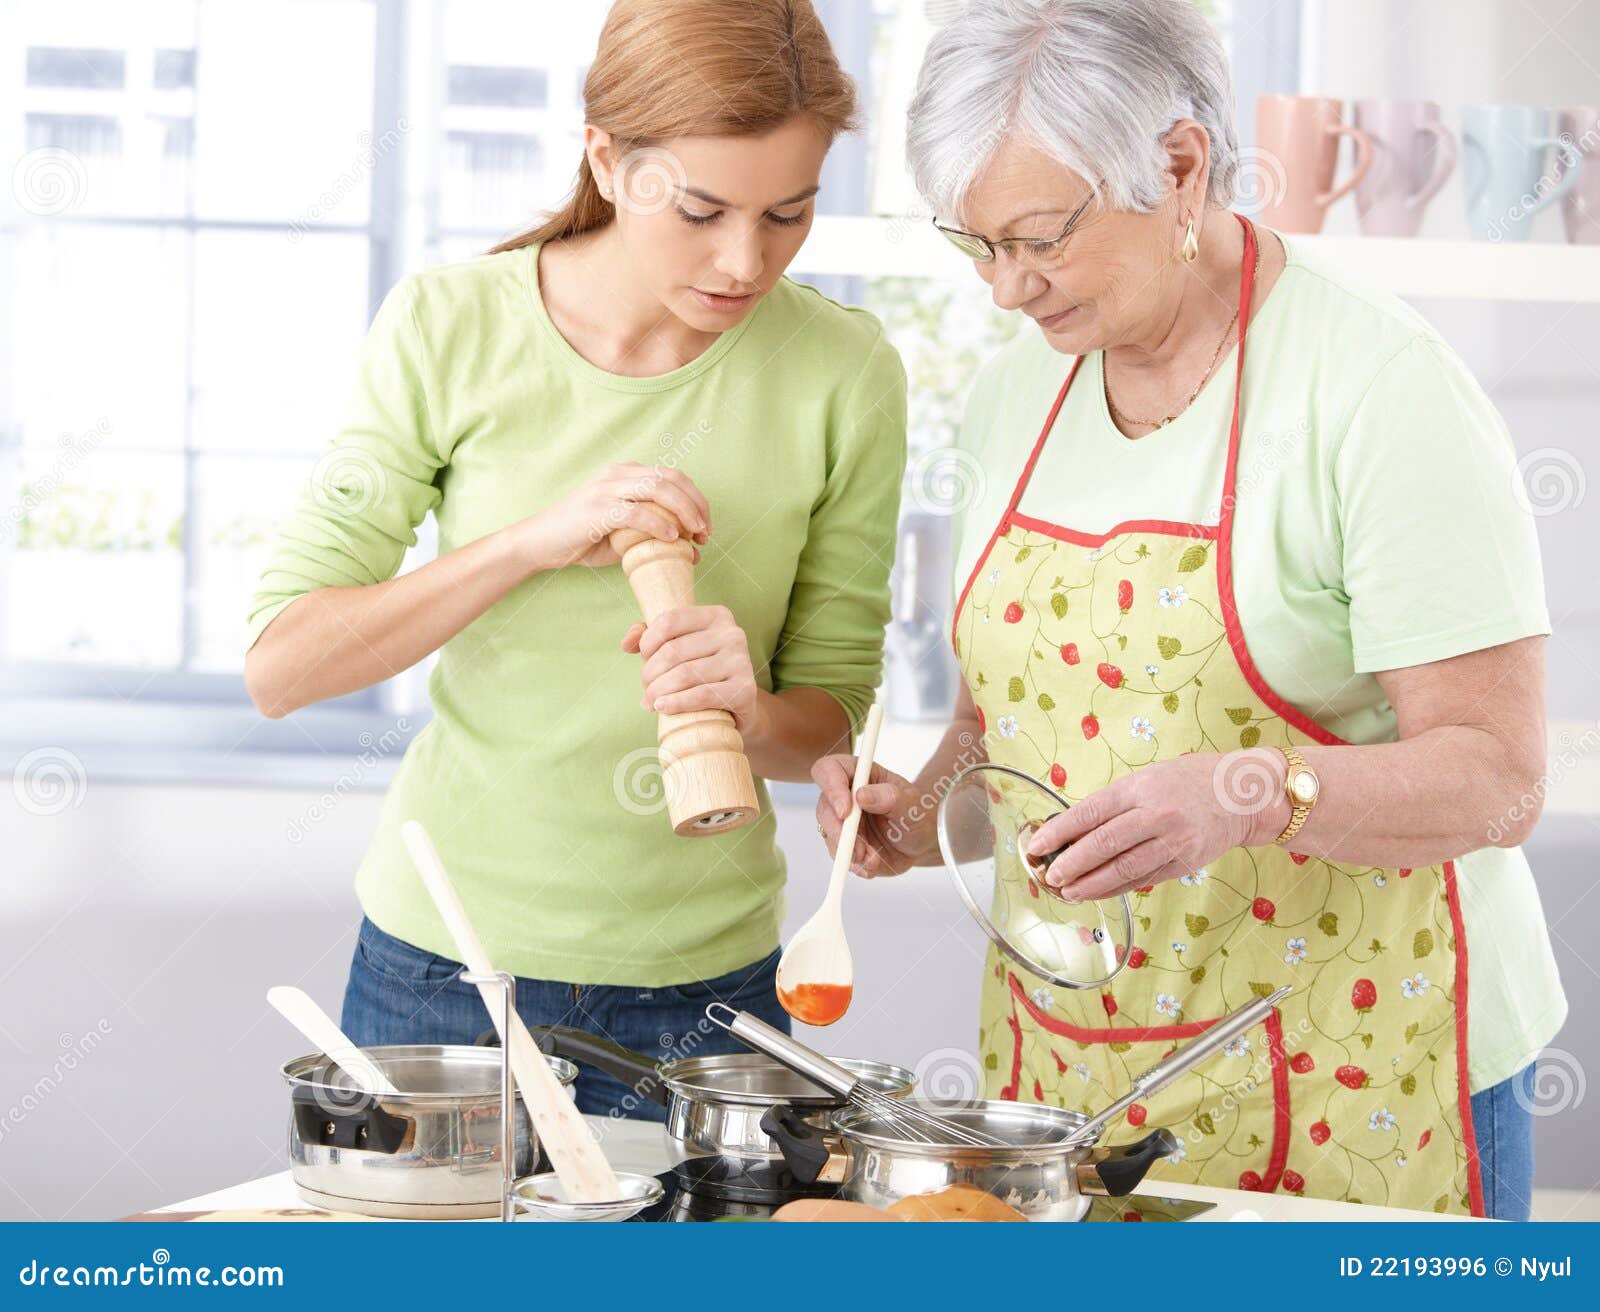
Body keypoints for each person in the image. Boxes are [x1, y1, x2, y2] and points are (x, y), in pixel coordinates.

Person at [815, 0, 1560, 1217]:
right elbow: (999, 731)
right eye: (975, 244)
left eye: (1039, 236)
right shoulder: (1017, 394)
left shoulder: (1375, 385)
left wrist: (1254, 791)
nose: (1006, 289)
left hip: (1362, 1062)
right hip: (1070, 1074)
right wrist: (921, 809)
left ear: (1176, 165)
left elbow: (1499, 778)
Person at [246, 0, 906, 1118]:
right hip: (445, 964)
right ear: (606, 157)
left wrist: (747, 708)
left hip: (709, 988)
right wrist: (528, 542)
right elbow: (283, 667)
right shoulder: (448, 326)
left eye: (788, 214)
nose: (744, 261)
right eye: (700, 210)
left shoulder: (843, 370)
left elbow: (832, 713)